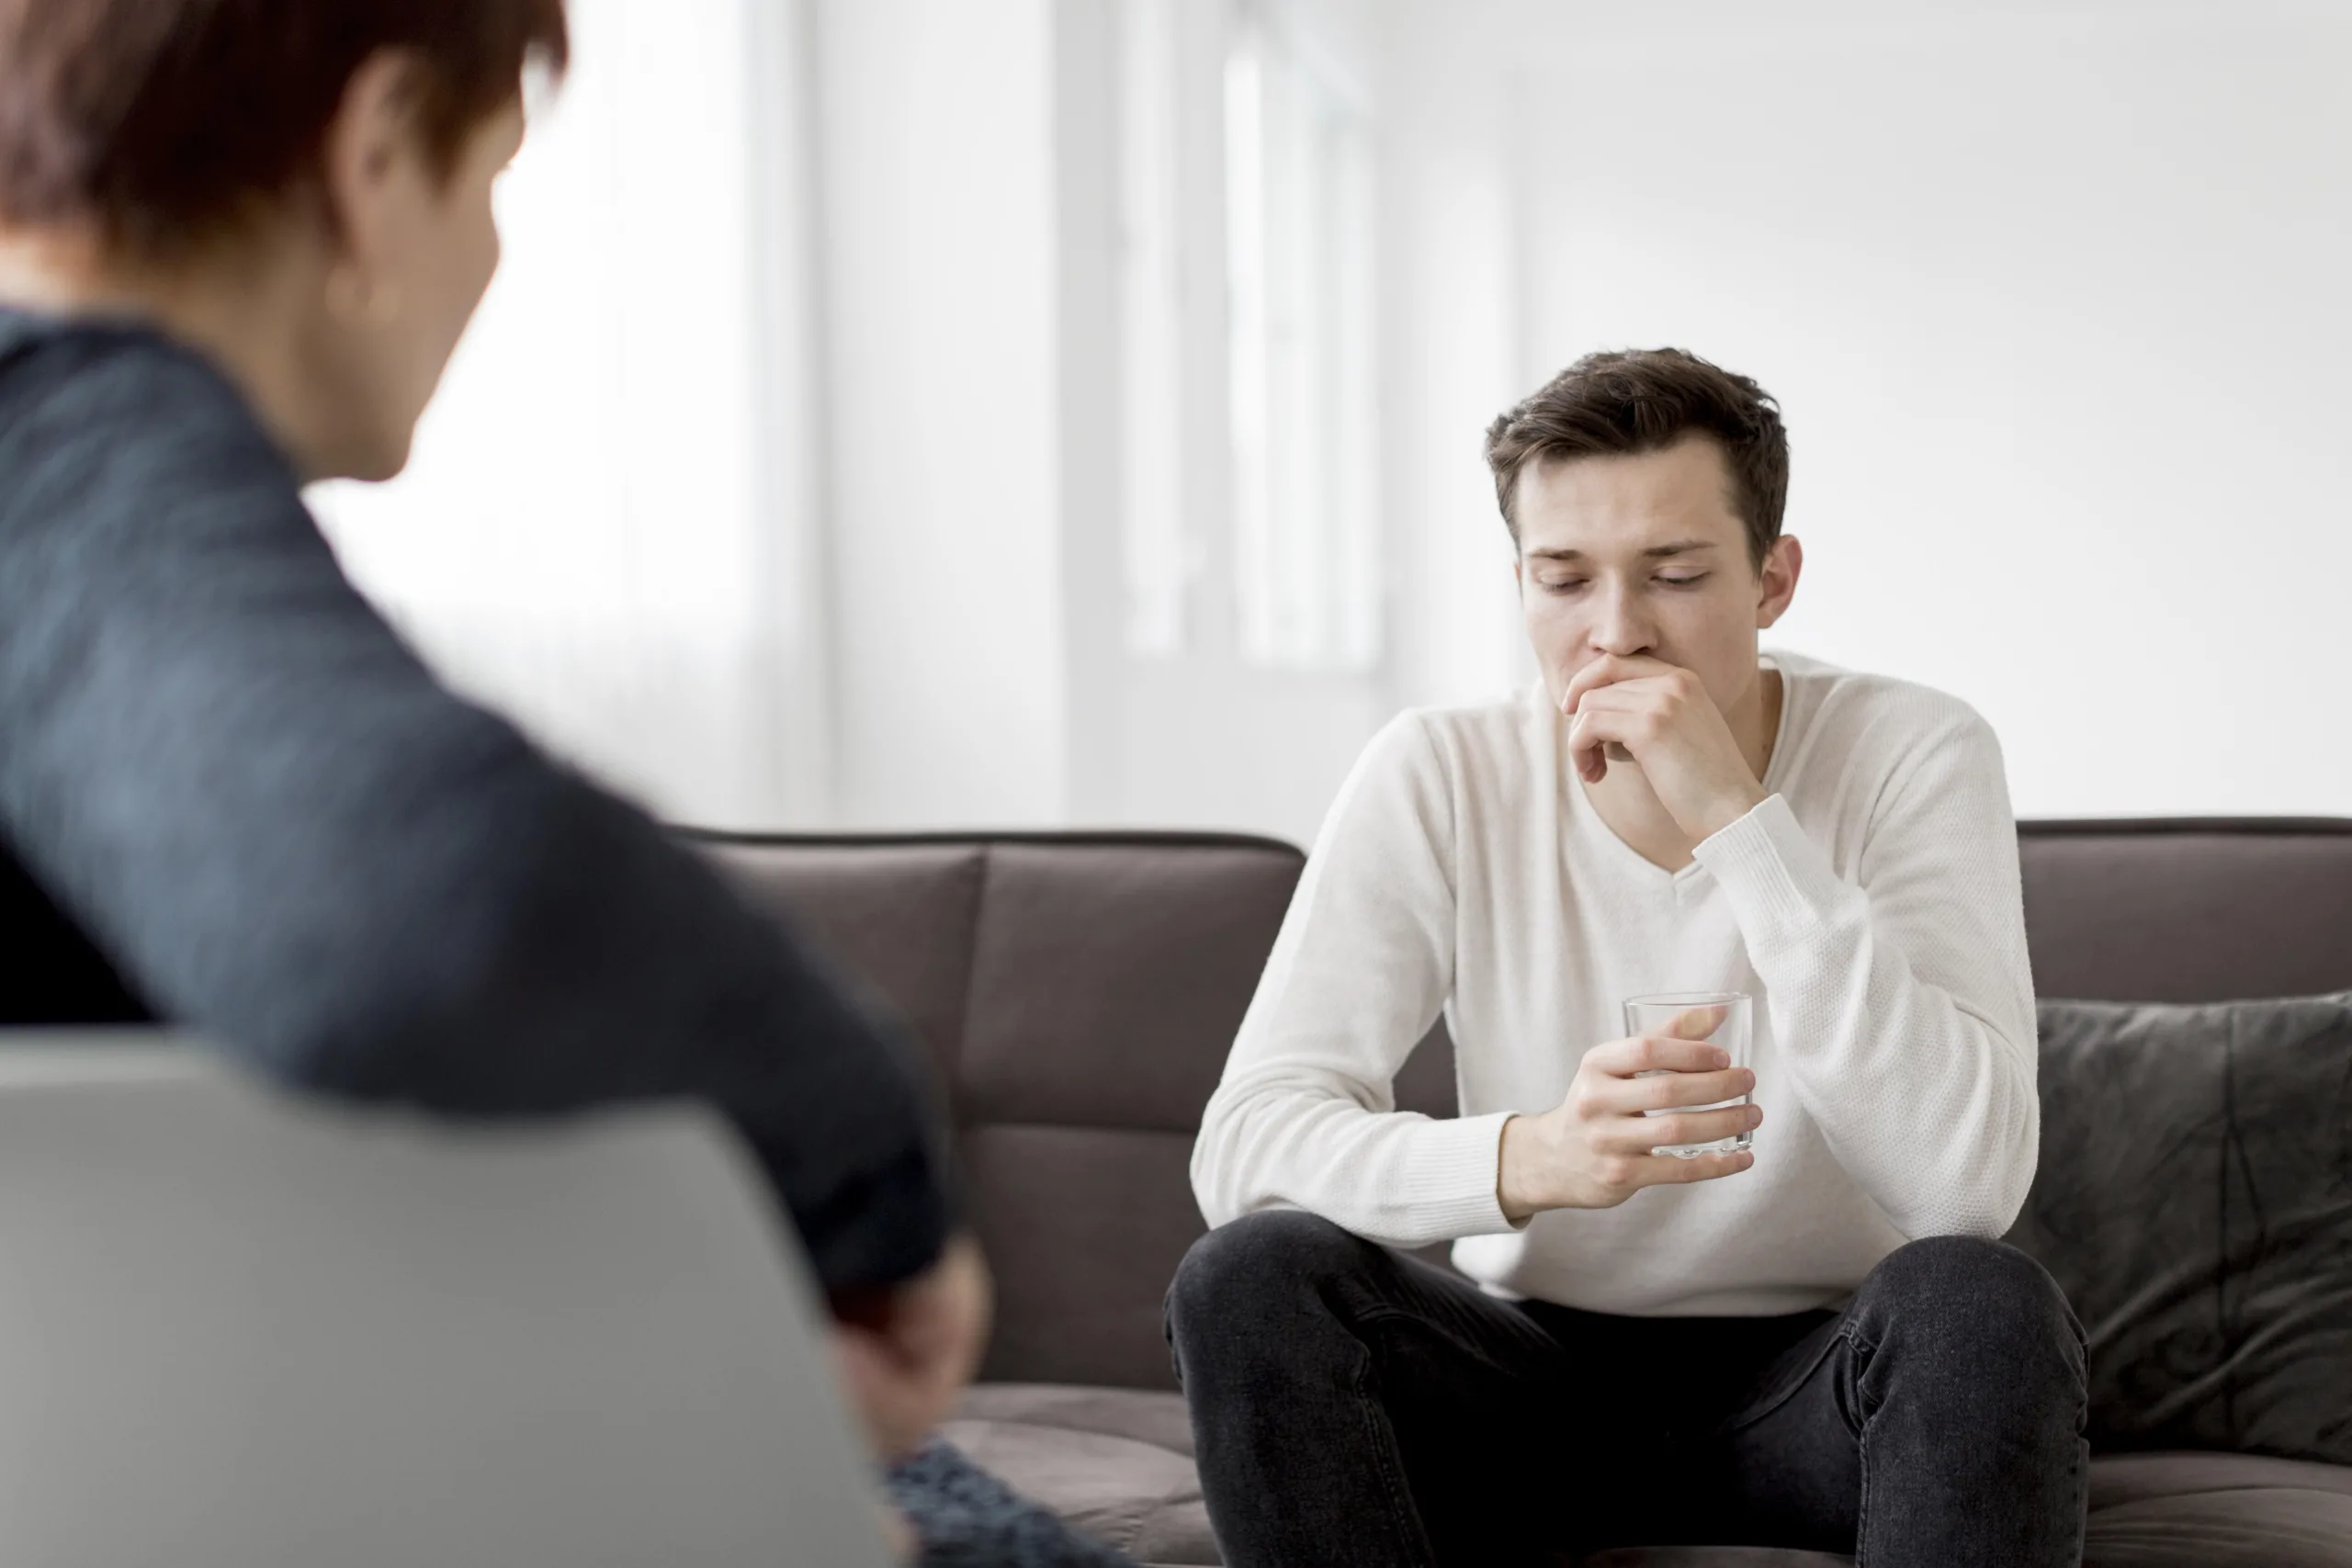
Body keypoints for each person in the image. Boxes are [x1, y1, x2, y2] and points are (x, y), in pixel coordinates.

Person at [0, 5, 1125, 1563]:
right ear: (377, 147)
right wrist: (876, 1189)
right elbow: (425, 892)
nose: (491, 255)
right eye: (496, 177)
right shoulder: (65, 457)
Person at [1168, 348, 2088, 1567]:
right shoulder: (1442, 769)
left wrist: (1740, 825)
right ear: (1521, 585)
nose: (1614, 634)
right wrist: (1527, 1154)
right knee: (1248, 1274)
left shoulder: (1914, 750)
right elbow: (1246, 1147)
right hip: (1526, 1386)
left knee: (1983, 1300)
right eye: (1563, 581)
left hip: (1828, 1384)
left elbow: (1965, 1186)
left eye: (1675, 575)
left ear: (1773, 578)